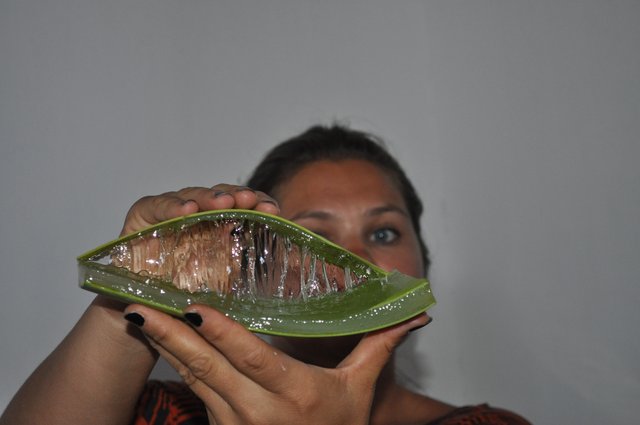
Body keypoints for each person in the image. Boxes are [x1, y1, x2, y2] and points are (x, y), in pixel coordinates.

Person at [0, 124, 530, 425]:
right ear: (252, 270)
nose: (358, 257)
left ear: (424, 259)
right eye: (313, 235)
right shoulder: (169, 414)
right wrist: (141, 284)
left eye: (385, 232)